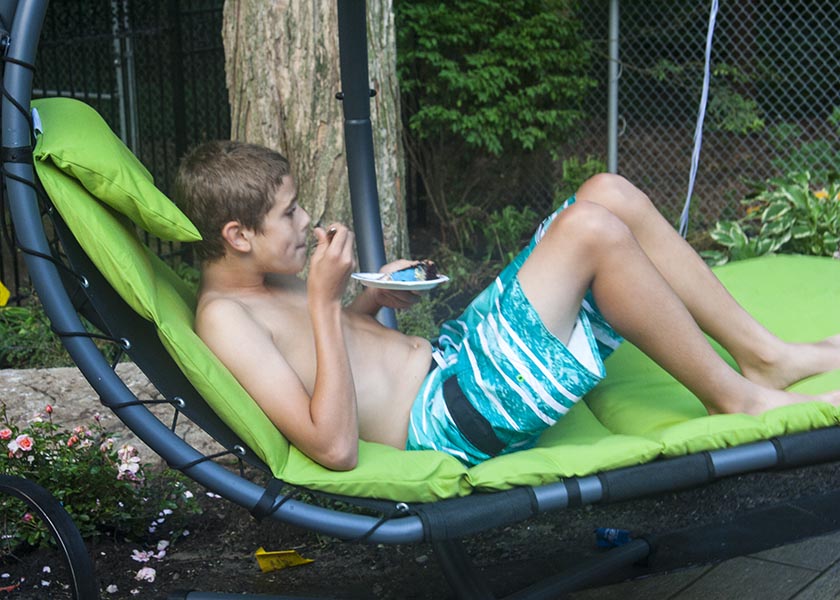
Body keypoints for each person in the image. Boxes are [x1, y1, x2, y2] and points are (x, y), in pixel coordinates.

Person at [174, 140, 840, 470]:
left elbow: (335, 359)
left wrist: (369, 301)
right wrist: (324, 304)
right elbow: (333, 446)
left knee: (607, 193)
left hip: (457, 359)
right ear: (237, 236)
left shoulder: (267, 277)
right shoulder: (227, 320)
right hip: (451, 417)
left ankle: (764, 355)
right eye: (289, 214)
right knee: (590, 231)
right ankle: (738, 396)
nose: (306, 221)